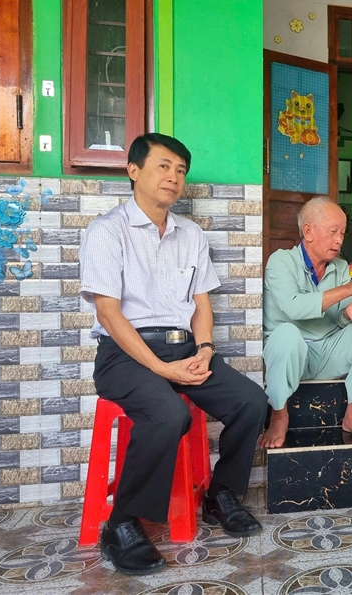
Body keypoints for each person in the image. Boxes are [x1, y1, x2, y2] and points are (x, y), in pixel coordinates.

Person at [79, 133, 268, 575]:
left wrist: (204, 350)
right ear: (134, 171)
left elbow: (201, 305)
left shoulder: (191, 234)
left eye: (180, 170)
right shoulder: (107, 231)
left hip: (184, 347)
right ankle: (122, 523)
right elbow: (108, 313)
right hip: (125, 355)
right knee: (168, 414)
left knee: (251, 401)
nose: (174, 177)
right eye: (163, 166)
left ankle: (220, 496)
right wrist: (160, 367)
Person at [260, 196, 352, 449]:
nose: (339, 239)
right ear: (308, 231)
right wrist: (350, 289)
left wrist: (351, 313)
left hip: (328, 351)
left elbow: (337, 317)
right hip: (291, 355)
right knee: (286, 333)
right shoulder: (281, 261)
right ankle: (278, 414)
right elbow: (294, 306)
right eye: (333, 232)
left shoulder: (339, 267)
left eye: (342, 232)